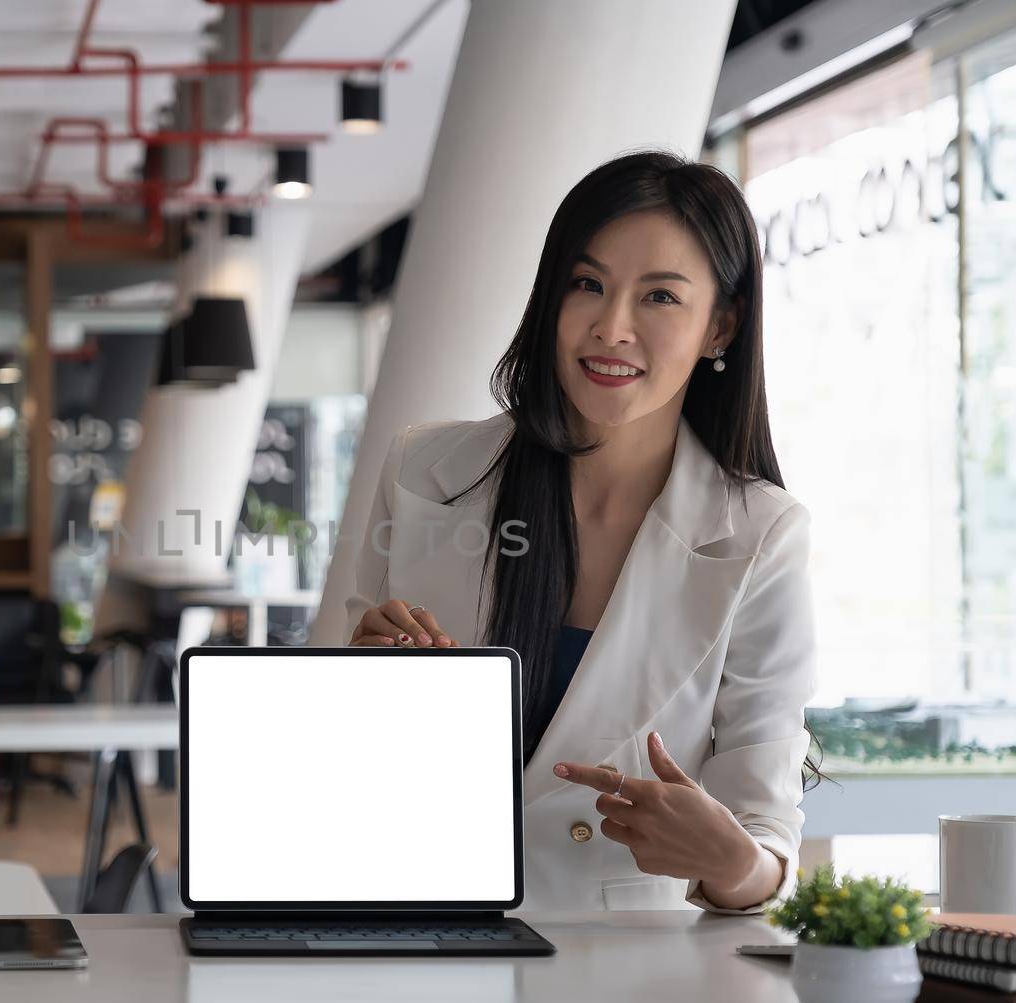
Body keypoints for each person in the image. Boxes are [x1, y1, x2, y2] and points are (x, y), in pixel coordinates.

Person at [343, 150, 815, 913]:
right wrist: (355, 681)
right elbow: (331, 748)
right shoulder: (423, 471)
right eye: (587, 285)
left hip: (625, 977)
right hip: (414, 928)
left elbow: (763, 836)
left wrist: (732, 864)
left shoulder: (760, 534)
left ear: (719, 327)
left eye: (659, 297)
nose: (611, 327)